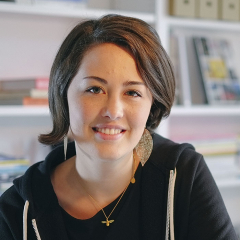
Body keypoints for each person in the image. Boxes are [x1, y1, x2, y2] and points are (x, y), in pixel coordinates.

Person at [0, 14, 238, 240]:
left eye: (132, 92)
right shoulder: (17, 210)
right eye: (94, 89)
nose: (113, 111)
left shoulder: (182, 175)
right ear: (63, 96)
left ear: (151, 105)